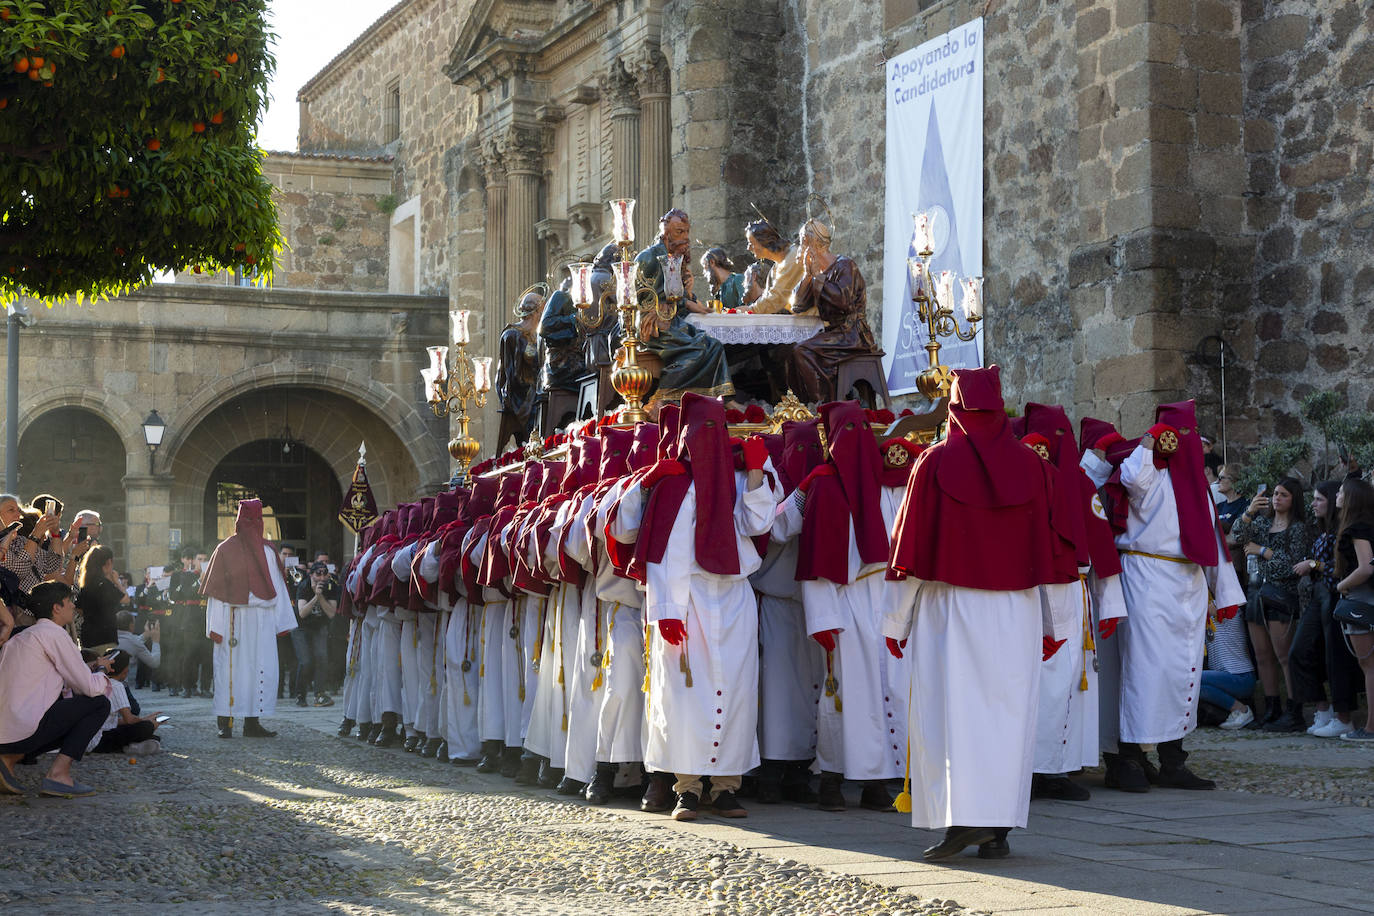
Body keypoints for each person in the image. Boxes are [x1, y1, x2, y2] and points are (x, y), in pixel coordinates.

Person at [883, 366, 1079, 861]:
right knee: (1009, 716)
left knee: (953, 713)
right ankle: (998, 828)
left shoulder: (932, 464)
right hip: (1017, 611)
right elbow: (1056, 553)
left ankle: (964, 819)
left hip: (952, 610)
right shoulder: (1035, 468)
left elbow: (911, 549)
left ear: (955, 409)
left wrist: (896, 621)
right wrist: (1057, 625)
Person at [629, 392, 781, 821]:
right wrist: (668, 610)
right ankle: (687, 788)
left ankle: (727, 786)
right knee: (683, 695)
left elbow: (758, 524)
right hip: (689, 597)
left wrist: (756, 473)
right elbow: (668, 552)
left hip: (734, 596)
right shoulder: (676, 482)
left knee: (737, 691)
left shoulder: (738, 476)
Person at [1111, 401, 1244, 787]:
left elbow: (1212, 539)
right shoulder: (1150, 474)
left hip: (1187, 584)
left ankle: (1173, 760)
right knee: (1144, 670)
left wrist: (1226, 592)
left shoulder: (1196, 487)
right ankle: (1132, 758)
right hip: (1147, 576)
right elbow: (1132, 477)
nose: (1186, 443)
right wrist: (1153, 442)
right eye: (1178, 434)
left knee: (1182, 672)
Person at [0, 582, 114, 798]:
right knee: (99, 704)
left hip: (6, 730)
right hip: (22, 731)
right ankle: (58, 774)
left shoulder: (21, 636)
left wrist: (88, 669)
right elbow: (89, 688)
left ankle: (8, 760)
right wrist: (100, 670)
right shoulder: (54, 634)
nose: (73, 605)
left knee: (61, 707)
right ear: (56, 608)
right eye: (69, 601)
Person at [201, 499, 297, 739]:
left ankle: (253, 722)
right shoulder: (225, 549)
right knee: (231, 672)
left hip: (262, 620)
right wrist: (216, 626)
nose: (252, 525)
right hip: (234, 619)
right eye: (249, 520)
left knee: (259, 670)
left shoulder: (268, 551)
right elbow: (217, 594)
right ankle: (226, 722)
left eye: (256, 520)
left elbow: (279, 588)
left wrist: (281, 622)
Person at [1231, 477, 1311, 731]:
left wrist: (1263, 551)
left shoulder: (1298, 527)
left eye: (1284, 495)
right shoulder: (1263, 522)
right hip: (1256, 592)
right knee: (1262, 656)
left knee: (1284, 656)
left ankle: (1293, 709)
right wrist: (1248, 512)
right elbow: (1237, 536)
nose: (1277, 498)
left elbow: (1293, 566)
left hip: (1281, 595)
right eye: (1276, 493)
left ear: (1293, 499)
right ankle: (1272, 707)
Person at [634, 208, 734, 403]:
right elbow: (639, 297)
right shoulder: (648, 258)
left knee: (713, 345)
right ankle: (662, 398)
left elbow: (674, 298)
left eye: (687, 232)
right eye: (680, 232)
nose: (686, 238)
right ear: (665, 232)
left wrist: (688, 294)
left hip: (670, 320)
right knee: (697, 348)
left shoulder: (674, 259)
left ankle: (719, 400)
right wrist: (685, 301)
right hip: (651, 324)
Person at [784, 217, 879, 405]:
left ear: (811, 244)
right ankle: (816, 402)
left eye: (802, 242)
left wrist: (817, 277)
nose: (800, 247)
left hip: (853, 334)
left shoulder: (845, 265)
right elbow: (797, 305)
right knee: (790, 353)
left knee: (802, 351)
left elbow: (843, 303)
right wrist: (807, 275)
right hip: (835, 335)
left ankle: (824, 404)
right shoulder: (815, 272)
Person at [1297, 481, 1361, 737]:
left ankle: (1342, 716)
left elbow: (1340, 568)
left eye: (1319, 499)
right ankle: (1323, 709)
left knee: (1337, 657)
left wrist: (1312, 564)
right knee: (1299, 651)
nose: (1313, 504)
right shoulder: (1321, 529)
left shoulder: (1345, 530)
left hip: (1337, 594)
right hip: (1319, 594)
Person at [1332, 478, 1374, 741]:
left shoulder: (1357, 528)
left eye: (1341, 492)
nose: (1337, 495)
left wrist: (1341, 586)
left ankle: (1371, 728)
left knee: (1369, 666)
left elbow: (1366, 567)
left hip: (1361, 599)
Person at [89, 649, 163, 756]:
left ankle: (133, 745)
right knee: (146, 728)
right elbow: (129, 720)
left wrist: (144, 719)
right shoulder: (116, 685)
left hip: (88, 737)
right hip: (100, 741)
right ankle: (131, 747)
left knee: (146, 730)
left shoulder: (94, 680)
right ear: (125, 670)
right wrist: (149, 723)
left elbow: (110, 721)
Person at [497, 289, 543, 453]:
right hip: (519, 393)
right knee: (545, 398)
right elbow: (514, 375)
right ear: (537, 312)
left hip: (531, 387)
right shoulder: (512, 335)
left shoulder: (535, 335)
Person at [1202, 607, 1258, 729]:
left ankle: (1243, 711)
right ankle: (1236, 709)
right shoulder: (1207, 614)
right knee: (1195, 686)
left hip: (1241, 678)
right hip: (1224, 679)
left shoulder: (1229, 608)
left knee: (1194, 678)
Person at [167, 546, 211, 698]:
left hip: (206, 618)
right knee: (189, 655)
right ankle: (187, 687)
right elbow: (187, 593)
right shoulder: (186, 576)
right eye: (200, 559)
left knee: (207, 655)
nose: (203, 562)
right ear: (194, 561)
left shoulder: (212, 576)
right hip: (191, 619)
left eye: (205, 560)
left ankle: (205, 687)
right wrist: (200, 580)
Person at [294, 561, 338, 707]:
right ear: (310, 574)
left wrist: (320, 596)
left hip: (319, 626)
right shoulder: (304, 586)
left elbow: (332, 613)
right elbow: (302, 613)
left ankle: (319, 694)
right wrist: (315, 596)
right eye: (317, 574)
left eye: (324, 573)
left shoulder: (331, 587)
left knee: (322, 657)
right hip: (301, 627)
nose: (321, 578)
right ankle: (300, 695)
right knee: (306, 661)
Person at [75, 544, 130, 653]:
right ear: (108, 562)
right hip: (105, 638)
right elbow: (126, 599)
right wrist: (116, 581)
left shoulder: (86, 585)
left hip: (88, 638)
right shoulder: (105, 584)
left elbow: (79, 608)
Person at [745, 218, 803, 315]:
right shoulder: (775, 268)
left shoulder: (794, 256)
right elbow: (768, 297)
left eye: (751, 243)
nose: (748, 248)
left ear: (763, 241)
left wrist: (751, 309)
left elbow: (777, 297)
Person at [116, 609, 161, 689]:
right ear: (131, 625)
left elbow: (128, 640)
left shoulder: (109, 637)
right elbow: (154, 662)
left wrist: (145, 635)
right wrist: (155, 641)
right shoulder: (134, 643)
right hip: (120, 686)